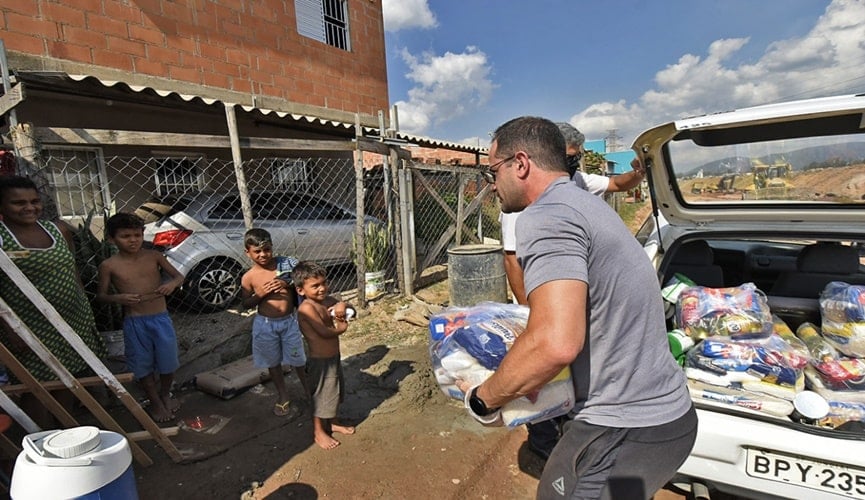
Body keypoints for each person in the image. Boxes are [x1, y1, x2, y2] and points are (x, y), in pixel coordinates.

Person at [463, 117, 696, 499]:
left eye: (493, 171)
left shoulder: (546, 215)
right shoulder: (583, 203)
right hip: (662, 420)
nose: (492, 184)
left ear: (520, 164)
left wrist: (484, 398)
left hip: (625, 428)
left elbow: (555, 344)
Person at [500, 122, 646, 460]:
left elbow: (615, 182)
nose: (573, 163)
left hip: (567, 301)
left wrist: (637, 174)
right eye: (569, 157)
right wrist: (533, 312)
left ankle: (569, 430)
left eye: (576, 157)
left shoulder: (576, 183)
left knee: (566, 371)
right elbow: (512, 261)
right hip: (537, 304)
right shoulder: (526, 202)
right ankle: (543, 443)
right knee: (543, 376)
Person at [0, 176, 106, 382]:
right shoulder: (3, 237)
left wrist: (83, 303)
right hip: (30, 325)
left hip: (73, 318)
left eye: (34, 201)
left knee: (70, 379)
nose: (29, 207)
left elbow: (72, 266)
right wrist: (10, 329)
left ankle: (64, 416)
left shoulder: (57, 230)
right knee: (38, 385)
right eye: (18, 203)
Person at [96, 212, 185, 422]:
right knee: (142, 364)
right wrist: (119, 297)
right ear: (111, 239)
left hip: (161, 318)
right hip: (135, 322)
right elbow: (101, 296)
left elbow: (179, 276)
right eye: (125, 236)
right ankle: (154, 401)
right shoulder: (108, 265)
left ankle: (165, 393)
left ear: (143, 234)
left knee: (168, 361)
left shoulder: (154, 256)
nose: (133, 240)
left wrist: (171, 285)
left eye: (137, 235)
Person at [240, 228, 307, 419]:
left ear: (272, 247)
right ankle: (283, 394)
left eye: (267, 249)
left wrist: (288, 283)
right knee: (273, 361)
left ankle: (308, 389)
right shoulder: (249, 277)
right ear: (248, 252)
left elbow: (304, 279)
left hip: (289, 322)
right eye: (257, 251)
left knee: (298, 358)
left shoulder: (287, 265)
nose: (263, 255)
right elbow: (245, 304)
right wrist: (260, 294)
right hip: (266, 325)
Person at [293, 260, 356, 450]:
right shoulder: (307, 308)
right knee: (320, 397)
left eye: (324, 283)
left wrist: (342, 305)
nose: (322, 289)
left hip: (333, 357)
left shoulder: (328, 301)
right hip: (320, 361)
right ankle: (318, 431)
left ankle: (333, 423)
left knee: (334, 392)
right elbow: (324, 332)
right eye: (315, 286)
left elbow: (347, 305)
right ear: (300, 290)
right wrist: (342, 326)